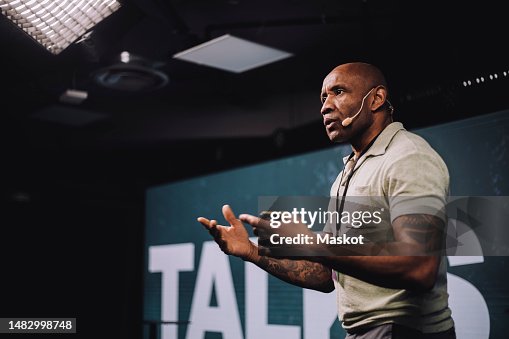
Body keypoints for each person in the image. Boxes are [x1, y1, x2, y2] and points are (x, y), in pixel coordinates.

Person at [198, 62, 455, 338]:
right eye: (323, 98)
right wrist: (253, 252)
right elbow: (324, 274)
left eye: (339, 92)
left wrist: (312, 242)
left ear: (376, 99)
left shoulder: (407, 157)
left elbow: (419, 268)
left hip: (406, 331)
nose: (325, 106)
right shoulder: (348, 173)